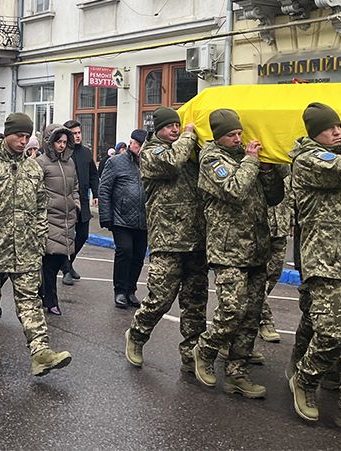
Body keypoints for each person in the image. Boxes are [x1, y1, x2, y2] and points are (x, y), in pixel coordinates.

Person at [285, 103, 341, 436]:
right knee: (333, 333)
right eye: (329, 128)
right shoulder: (309, 160)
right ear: (314, 133)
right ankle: (304, 379)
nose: (337, 131)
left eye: (339, 126)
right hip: (327, 263)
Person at [0, 112, 72, 375]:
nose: (23, 141)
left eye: (27, 136)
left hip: (26, 249)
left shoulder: (32, 168)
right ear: (7, 134)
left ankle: (40, 352)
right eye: (19, 136)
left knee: (30, 301)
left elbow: (41, 207)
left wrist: (40, 237)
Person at [192, 109, 284, 399]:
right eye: (231, 134)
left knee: (251, 316)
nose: (237, 138)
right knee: (232, 310)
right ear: (218, 136)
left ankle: (237, 373)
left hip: (257, 248)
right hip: (228, 249)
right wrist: (252, 161)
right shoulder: (211, 159)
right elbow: (234, 189)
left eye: (239, 133)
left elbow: (274, 197)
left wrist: (267, 169)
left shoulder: (245, 158)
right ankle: (204, 350)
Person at [124, 107, 207, 373]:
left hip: (195, 238)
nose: (175, 129)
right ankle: (137, 335)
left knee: (195, 301)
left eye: (177, 125)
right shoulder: (151, 153)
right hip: (167, 240)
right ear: (157, 129)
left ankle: (191, 353)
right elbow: (171, 163)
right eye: (169, 126)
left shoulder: (188, 152)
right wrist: (189, 135)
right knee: (161, 297)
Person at [99, 129, 148, 308]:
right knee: (125, 251)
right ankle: (119, 290)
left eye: (143, 145)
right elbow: (104, 189)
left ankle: (130, 290)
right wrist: (106, 216)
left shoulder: (149, 163)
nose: (140, 148)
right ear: (131, 143)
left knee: (138, 256)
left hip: (143, 218)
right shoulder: (116, 162)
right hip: (121, 217)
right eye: (137, 144)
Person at [36, 125, 78, 315]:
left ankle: (43, 294)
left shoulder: (70, 163)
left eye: (64, 142)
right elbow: (35, 190)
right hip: (49, 218)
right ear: (49, 142)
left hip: (67, 219)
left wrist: (76, 203)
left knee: (59, 258)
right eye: (58, 141)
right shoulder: (40, 163)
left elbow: (75, 186)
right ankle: (50, 300)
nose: (61, 145)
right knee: (50, 262)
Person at [63, 120, 100, 285]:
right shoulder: (64, 153)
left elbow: (93, 174)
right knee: (66, 237)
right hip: (67, 201)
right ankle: (66, 270)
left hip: (83, 201)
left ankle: (69, 263)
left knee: (83, 235)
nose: (77, 136)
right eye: (74, 133)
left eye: (79, 133)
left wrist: (96, 193)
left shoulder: (86, 152)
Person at [258, 173, 292, 344]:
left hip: (281, 227)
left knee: (274, 274)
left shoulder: (283, 164)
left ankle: (247, 310)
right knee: (257, 279)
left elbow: (291, 190)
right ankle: (265, 321)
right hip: (258, 227)